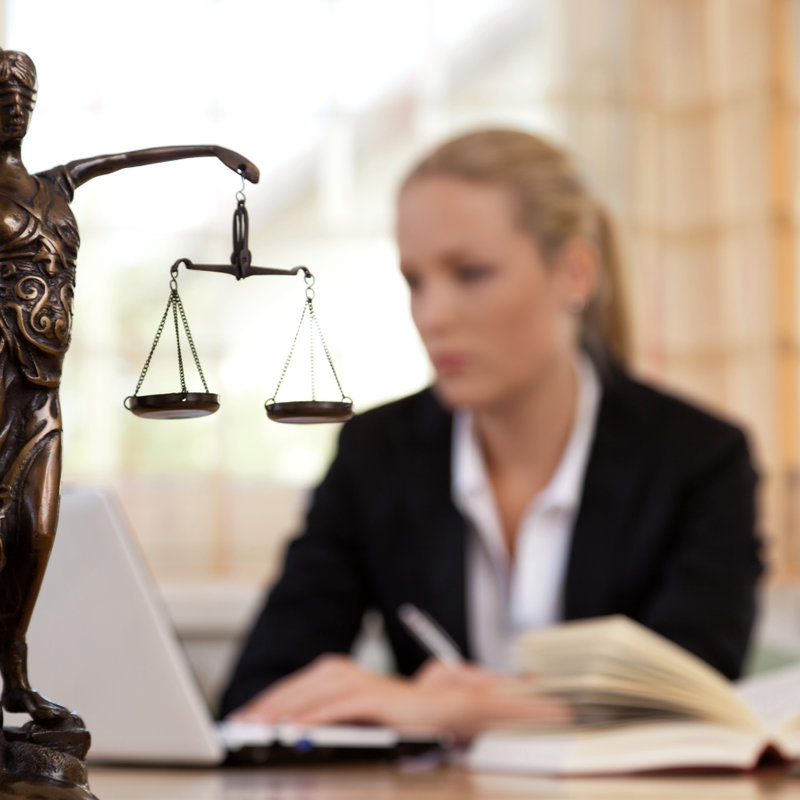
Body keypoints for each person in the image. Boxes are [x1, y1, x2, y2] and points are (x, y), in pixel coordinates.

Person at [220, 128, 763, 741]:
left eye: (470, 273)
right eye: (415, 282)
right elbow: (257, 694)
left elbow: (693, 702)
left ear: (575, 274)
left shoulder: (701, 459)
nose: (432, 316)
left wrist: (454, 708)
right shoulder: (377, 455)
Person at [0, 47, 258, 733]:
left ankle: (16, 679)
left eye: (24, 88)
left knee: (37, 528)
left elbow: (125, 158)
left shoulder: (56, 185)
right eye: (3, 88)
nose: (15, 99)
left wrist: (210, 149)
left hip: (42, 389)